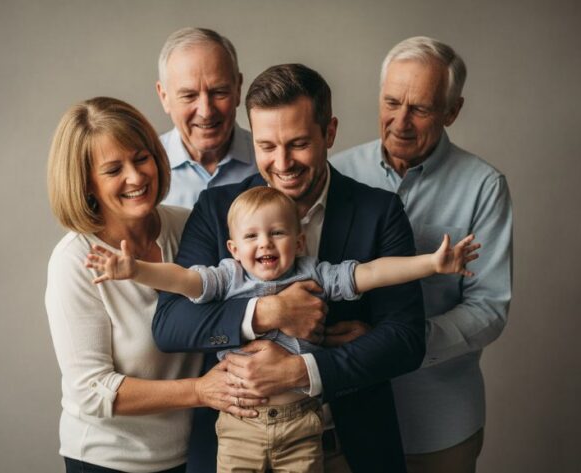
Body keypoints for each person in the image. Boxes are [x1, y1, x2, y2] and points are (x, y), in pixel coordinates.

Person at [86, 186, 479, 472]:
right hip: (240, 424)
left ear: (299, 240)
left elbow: (371, 272)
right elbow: (184, 281)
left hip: (301, 423)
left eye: (277, 233)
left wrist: (430, 264)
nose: (265, 244)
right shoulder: (228, 277)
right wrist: (135, 270)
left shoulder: (315, 273)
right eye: (252, 236)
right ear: (234, 248)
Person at [153, 64, 427, 473]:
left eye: (298, 144)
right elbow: (171, 324)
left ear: (329, 133)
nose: (282, 164)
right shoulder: (216, 209)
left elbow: (405, 339)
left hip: (349, 449)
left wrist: (303, 368)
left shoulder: (378, 211)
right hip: (236, 448)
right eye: (267, 146)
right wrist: (268, 313)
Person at [44, 97, 263, 473]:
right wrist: (198, 391)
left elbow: (242, 298)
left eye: (141, 158)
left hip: (187, 456)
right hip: (106, 460)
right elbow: (91, 391)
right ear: (87, 184)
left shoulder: (187, 226)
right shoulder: (73, 261)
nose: (136, 177)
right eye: (114, 170)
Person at [331, 36, 513, 473]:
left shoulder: (484, 186)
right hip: (345, 416)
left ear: (452, 111)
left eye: (421, 109)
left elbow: (489, 308)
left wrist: (394, 343)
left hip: (439, 422)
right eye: (392, 102)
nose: (400, 121)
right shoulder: (336, 171)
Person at [156, 27, 257, 208]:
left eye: (219, 92)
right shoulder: (145, 173)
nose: (206, 112)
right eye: (189, 96)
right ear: (164, 97)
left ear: (238, 89)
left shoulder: (271, 163)